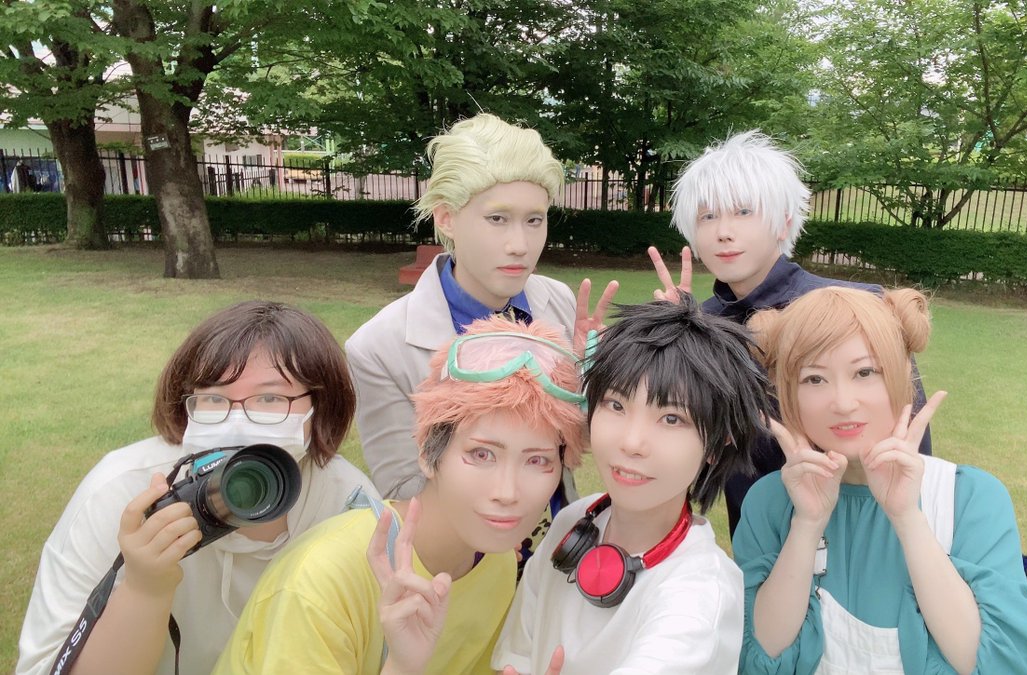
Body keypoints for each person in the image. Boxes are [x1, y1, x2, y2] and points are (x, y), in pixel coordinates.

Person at [16, 301, 378, 675]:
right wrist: (145, 587)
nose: (238, 420)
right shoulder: (121, 491)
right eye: (214, 398)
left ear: (321, 407)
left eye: (270, 398)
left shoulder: (347, 503)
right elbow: (45, 666)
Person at [214, 316, 588, 675]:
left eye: (537, 460)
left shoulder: (499, 564)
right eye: (481, 455)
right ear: (427, 452)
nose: (507, 493)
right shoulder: (320, 581)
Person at [735, 287, 1027, 674]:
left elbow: (994, 663)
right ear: (788, 393)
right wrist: (807, 523)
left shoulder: (970, 499)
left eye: (865, 372)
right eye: (814, 379)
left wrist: (907, 517)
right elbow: (761, 657)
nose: (843, 402)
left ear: (902, 376)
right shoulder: (770, 503)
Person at [651, 129, 932, 533]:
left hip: (862, 522)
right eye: (707, 216)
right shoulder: (703, 323)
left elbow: (911, 434)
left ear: (783, 223)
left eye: (743, 211)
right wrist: (669, 338)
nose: (723, 231)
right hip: (757, 534)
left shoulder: (855, 307)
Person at [493, 295, 774, 675]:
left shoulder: (701, 594)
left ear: (717, 442)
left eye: (672, 419)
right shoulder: (575, 520)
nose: (632, 442)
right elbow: (517, 655)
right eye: (616, 405)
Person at [346, 112, 615, 502]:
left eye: (534, 220)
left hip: (557, 534)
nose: (519, 245)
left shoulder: (557, 300)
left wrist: (590, 388)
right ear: (447, 218)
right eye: (497, 218)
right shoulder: (378, 347)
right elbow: (403, 491)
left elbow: (579, 442)